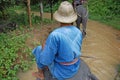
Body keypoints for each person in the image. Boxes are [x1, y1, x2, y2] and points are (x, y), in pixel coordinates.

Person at [32, 1, 98, 80]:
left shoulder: (54, 35)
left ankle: (40, 74)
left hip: (61, 72)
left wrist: (44, 49)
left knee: (38, 49)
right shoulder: (78, 32)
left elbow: (45, 61)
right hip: (75, 66)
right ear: (72, 18)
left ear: (59, 19)